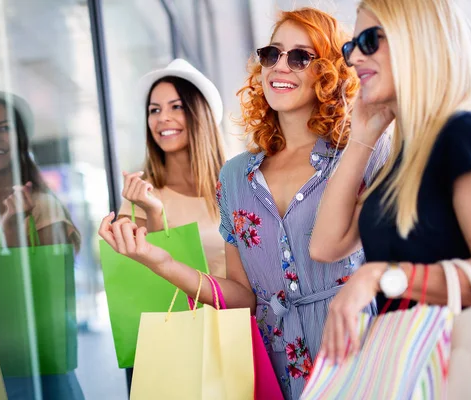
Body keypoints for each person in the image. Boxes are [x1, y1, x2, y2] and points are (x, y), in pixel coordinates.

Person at [99, 9, 388, 399]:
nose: (279, 67)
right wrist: (158, 260)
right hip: (273, 365)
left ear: (330, 71)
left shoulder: (362, 153)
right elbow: (243, 296)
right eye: (272, 54)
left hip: (357, 352)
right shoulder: (235, 176)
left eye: (300, 57)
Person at [310, 0, 471, 366]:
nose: (352, 60)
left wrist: (381, 276)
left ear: (415, 40)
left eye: (369, 40)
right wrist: (361, 136)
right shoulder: (404, 158)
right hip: (416, 369)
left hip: (462, 368)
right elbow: (325, 245)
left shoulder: (462, 136)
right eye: (351, 47)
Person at [0, 83, 83, 399]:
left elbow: (56, 291)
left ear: (19, 139)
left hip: (40, 366)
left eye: (3, 128)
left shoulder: (43, 207)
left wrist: (13, 234)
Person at [116, 59, 227, 278]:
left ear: (201, 114)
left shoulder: (236, 184)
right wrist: (153, 212)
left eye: (176, 107)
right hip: (178, 313)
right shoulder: (140, 196)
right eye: (154, 110)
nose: (162, 118)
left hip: (241, 311)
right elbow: (143, 279)